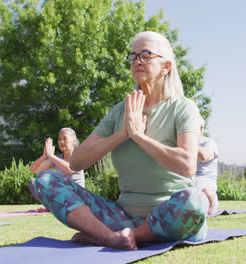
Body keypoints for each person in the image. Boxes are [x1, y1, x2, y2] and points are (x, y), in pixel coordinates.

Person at [28, 31, 208, 250]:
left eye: (146, 55)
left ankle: (132, 236)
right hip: (120, 215)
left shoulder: (183, 107)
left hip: (169, 215)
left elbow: (187, 165)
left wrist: (139, 137)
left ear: (166, 66)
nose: (137, 61)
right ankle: (108, 237)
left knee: (196, 201)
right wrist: (122, 133)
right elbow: (76, 162)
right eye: (133, 56)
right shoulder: (119, 112)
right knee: (46, 180)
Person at [195, 118, 219, 216]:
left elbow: (204, 156)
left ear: (201, 128)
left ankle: (210, 207)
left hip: (205, 188)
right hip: (186, 186)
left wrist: (187, 143)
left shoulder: (208, 142)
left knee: (207, 193)